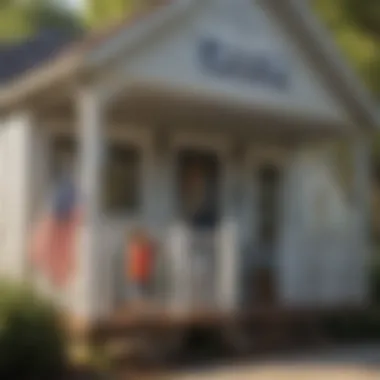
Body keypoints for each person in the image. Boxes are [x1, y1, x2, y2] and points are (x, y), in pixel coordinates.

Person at [126, 228, 155, 302]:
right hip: (137, 273)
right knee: (137, 291)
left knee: (143, 291)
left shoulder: (146, 246)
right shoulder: (134, 246)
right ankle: (138, 302)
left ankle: (142, 302)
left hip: (144, 273)